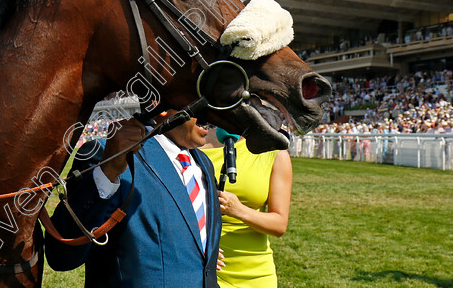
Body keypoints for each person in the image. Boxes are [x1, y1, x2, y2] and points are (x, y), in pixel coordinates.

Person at [45, 114, 223, 287]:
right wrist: (107, 173)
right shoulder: (112, 153)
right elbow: (62, 257)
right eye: (198, 98)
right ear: (161, 107)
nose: (210, 112)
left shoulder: (204, 163)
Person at [200, 130, 293, 288]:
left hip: (255, 274)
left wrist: (238, 210)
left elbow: (279, 225)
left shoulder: (273, 151)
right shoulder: (193, 143)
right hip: (202, 268)